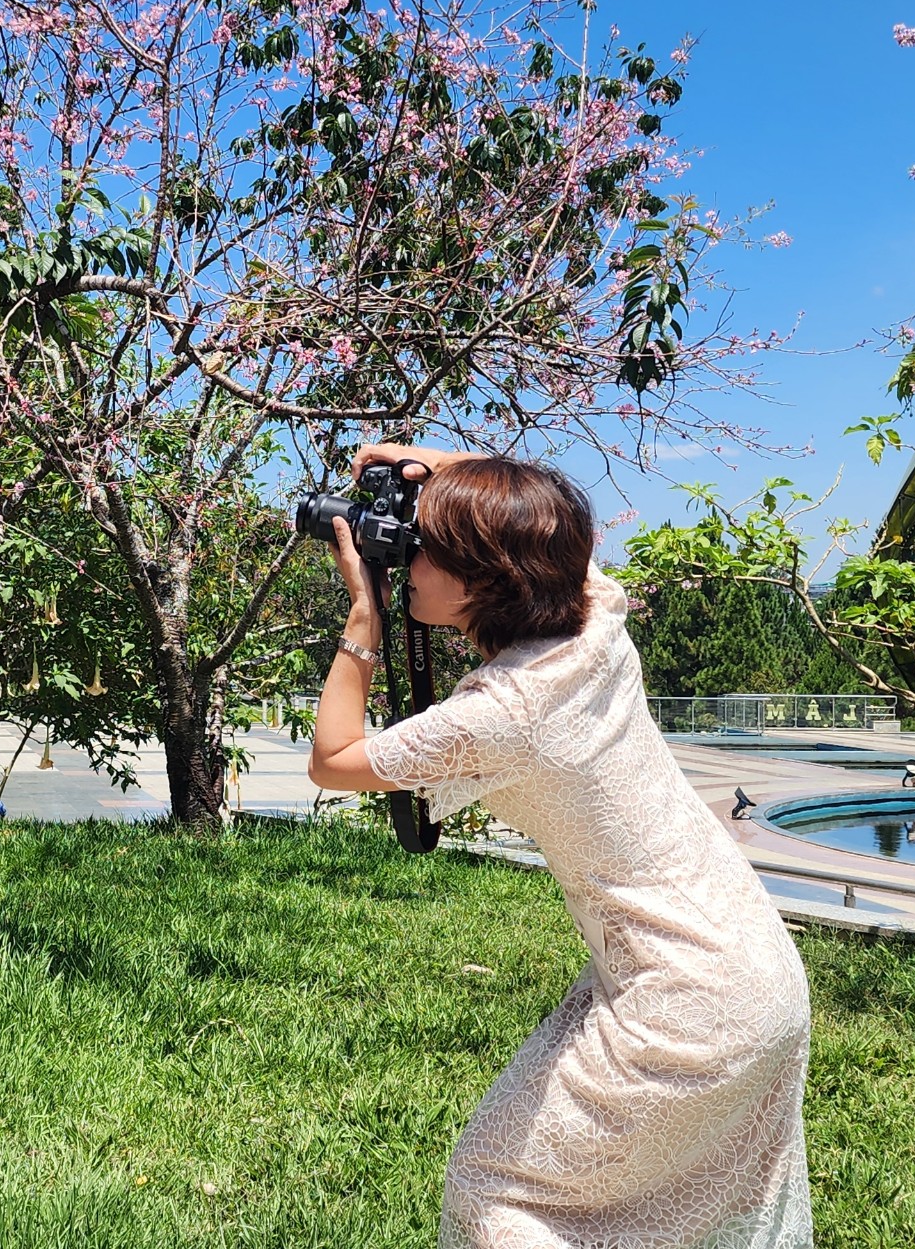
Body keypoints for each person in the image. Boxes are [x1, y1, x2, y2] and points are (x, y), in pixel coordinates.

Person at [307, 444, 813, 1249]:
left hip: (685, 998)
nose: (404, 559)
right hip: (753, 965)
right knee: (677, 1210)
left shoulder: (504, 710)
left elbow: (333, 760)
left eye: (425, 547)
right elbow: (558, 542)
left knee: (499, 1191)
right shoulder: (594, 622)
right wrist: (453, 469)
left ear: (487, 576)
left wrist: (363, 618)